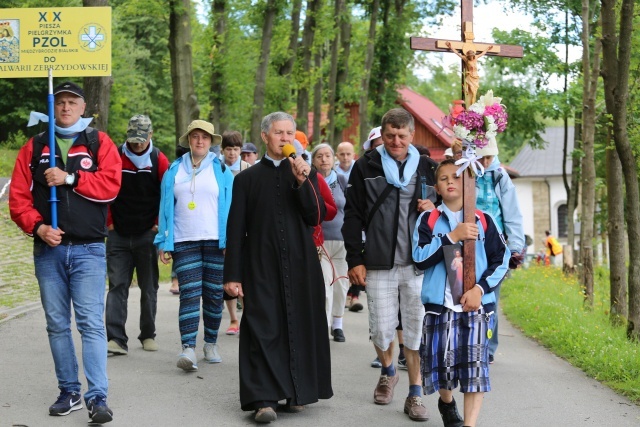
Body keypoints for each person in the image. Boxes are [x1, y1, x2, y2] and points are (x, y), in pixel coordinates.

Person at [9, 81, 121, 423]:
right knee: (57, 325)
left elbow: (111, 186)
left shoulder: (99, 142)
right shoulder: (35, 146)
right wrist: (39, 227)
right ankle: (69, 391)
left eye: (73, 102)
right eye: (61, 102)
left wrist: (70, 178)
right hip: (49, 252)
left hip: (88, 249)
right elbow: (18, 199)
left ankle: (97, 396)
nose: (66, 107)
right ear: (53, 106)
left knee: (90, 324)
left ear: (83, 107)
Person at [223, 112, 332, 423]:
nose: (285, 139)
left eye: (289, 133)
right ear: (265, 137)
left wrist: (303, 181)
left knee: (298, 324)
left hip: (300, 264)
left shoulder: (305, 173)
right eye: (279, 133)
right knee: (262, 328)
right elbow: (235, 228)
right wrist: (232, 274)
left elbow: (316, 216)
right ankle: (263, 399)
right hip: (260, 265)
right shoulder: (245, 179)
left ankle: (297, 392)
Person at [342, 108, 438, 421]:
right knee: (381, 329)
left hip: (418, 262)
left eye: (402, 135)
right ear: (382, 135)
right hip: (379, 261)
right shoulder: (365, 165)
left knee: (416, 328)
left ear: (412, 136)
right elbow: (353, 215)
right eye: (390, 135)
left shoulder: (427, 167)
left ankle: (415, 393)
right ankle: (387, 371)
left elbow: (451, 200)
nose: (396, 141)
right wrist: (355, 258)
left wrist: (433, 205)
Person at [412, 158, 509, 427]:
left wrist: (480, 289)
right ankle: (446, 401)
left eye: (457, 177)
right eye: (444, 179)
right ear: (437, 188)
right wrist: (452, 236)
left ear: (470, 183)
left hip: (474, 308)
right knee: (441, 369)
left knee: (474, 370)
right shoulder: (428, 220)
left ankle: (470, 424)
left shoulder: (484, 220)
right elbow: (419, 259)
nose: (451, 182)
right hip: (439, 307)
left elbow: (501, 260)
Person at [154, 119, 233, 371]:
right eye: (195, 136)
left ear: (211, 142)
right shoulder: (174, 170)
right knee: (189, 294)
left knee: (213, 295)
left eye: (205, 137)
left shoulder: (222, 170)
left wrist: (231, 241)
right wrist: (163, 242)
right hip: (183, 239)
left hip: (215, 241)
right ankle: (188, 348)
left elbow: (232, 207)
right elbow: (165, 208)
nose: (200, 141)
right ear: (188, 140)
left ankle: (210, 343)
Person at [105, 114, 169, 356]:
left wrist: (156, 226)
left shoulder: (159, 160)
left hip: (146, 234)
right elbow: (105, 189)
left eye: (142, 140)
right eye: (133, 140)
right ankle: (116, 339)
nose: (137, 144)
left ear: (150, 136)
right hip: (118, 233)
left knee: (149, 287)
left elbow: (167, 196)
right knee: (117, 286)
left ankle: (148, 334)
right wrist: (109, 223)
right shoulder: (115, 155)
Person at [475, 140, 525, 364]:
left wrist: (516, 248)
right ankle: (467, 341)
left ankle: (488, 347)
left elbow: (513, 214)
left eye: (489, 157)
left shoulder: (500, 177)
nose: (485, 162)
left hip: (495, 246)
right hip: (467, 242)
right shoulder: (466, 171)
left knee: (490, 298)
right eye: (481, 157)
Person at [312, 143, 349, 342]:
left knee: (342, 285)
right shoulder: (310, 181)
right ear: (314, 160)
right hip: (320, 243)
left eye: (327, 155)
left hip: (342, 241)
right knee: (325, 285)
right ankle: (323, 328)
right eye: (319, 156)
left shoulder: (342, 180)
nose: (324, 159)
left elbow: (351, 211)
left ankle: (338, 324)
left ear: (333, 159)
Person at [220, 130, 250, 335]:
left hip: (244, 227)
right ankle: (233, 318)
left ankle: (248, 316)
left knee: (246, 274)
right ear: (222, 150)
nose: (232, 153)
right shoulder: (217, 169)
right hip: (223, 226)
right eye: (228, 149)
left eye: (236, 149)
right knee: (228, 273)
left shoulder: (248, 170)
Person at [445, 42, 493, 106]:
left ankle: (473, 105)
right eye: (469, 56)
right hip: (470, 77)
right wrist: (451, 47)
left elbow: (482, 53)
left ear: (473, 55)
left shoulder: (475, 58)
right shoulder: (466, 59)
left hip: (475, 77)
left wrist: (487, 49)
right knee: (471, 92)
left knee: (474, 93)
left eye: (471, 56)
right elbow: (457, 53)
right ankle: (471, 106)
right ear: (467, 56)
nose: (470, 57)